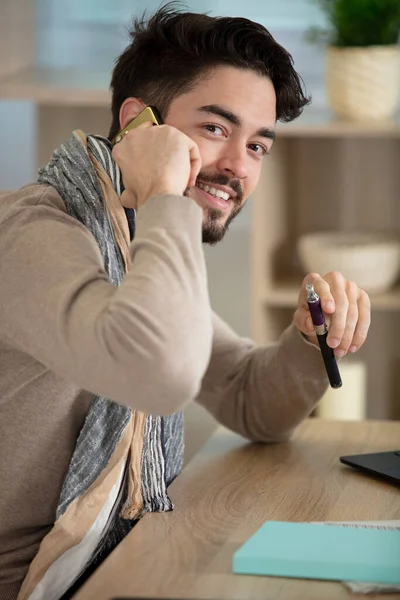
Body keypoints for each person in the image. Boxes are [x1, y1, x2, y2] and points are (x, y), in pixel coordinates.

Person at [0, 4, 371, 600]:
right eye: (216, 129)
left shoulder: (128, 236)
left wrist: (306, 340)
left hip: (119, 566)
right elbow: (160, 376)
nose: (237, 168)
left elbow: (251, 401)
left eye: (258, 146)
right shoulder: (32, 234)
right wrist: (167, 198)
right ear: (138, 124)